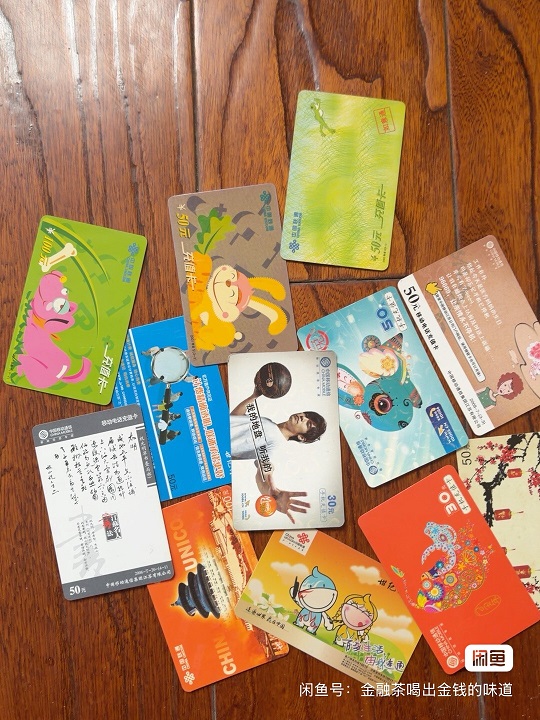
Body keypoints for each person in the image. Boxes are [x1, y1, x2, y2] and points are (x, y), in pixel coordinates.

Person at [230, 386, 327, 522]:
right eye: (306, 415)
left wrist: (269, 489)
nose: (302, 417)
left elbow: (265, 468)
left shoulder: (276, 444)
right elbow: (235, 418)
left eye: (308, 423)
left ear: (301, 437)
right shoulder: (269, 423)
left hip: (211, 444)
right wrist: (254, 396)